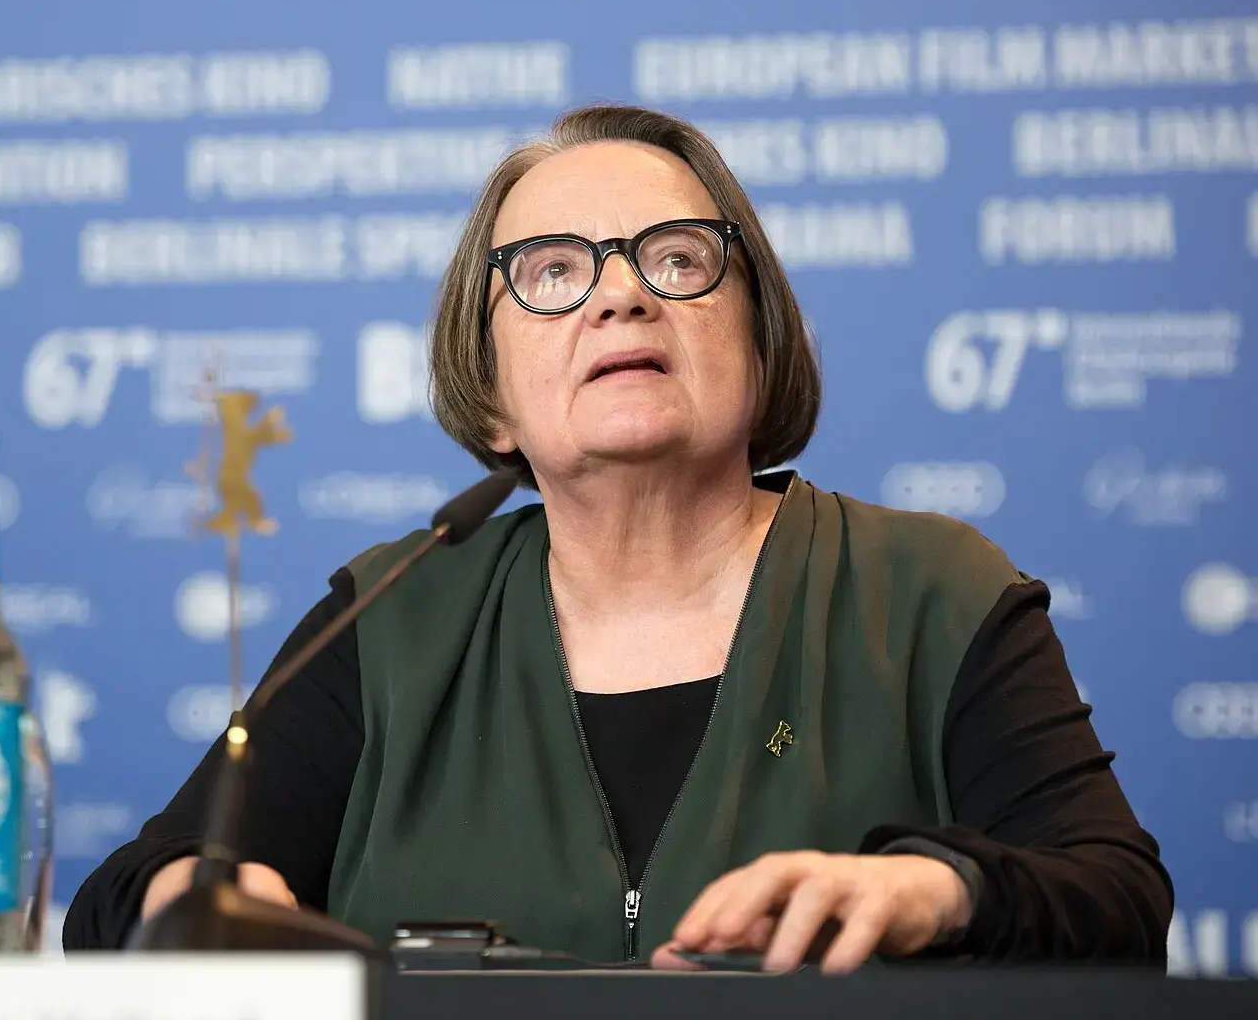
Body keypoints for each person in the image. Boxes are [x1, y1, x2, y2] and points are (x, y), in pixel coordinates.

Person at [64, 104, 1173, 972]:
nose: (621, 297)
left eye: (678, 259)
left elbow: (1119, 902)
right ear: (491, 393)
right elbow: (124, 900)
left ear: (759, 336)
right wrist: (186, 901)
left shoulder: (929, 590)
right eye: (553, 271)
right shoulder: (388, 619)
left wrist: (941, 893)